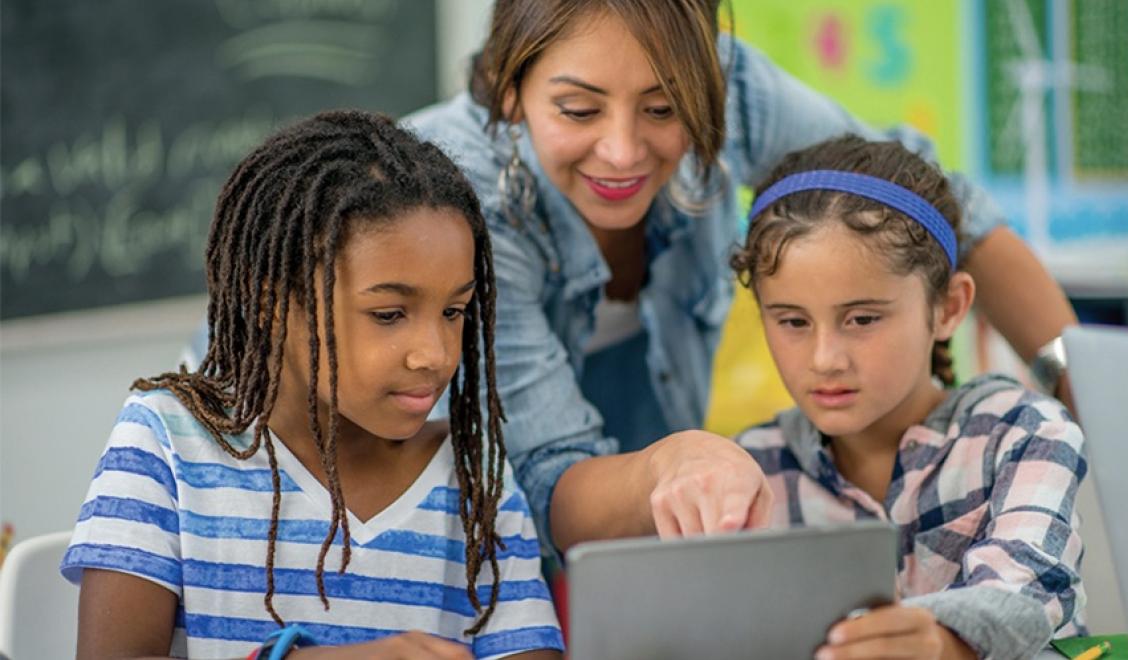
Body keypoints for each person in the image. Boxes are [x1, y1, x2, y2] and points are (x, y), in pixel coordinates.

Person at [403, 0, 1080, 557]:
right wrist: (671, 466)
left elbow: (934, 205)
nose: (622, 150)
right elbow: (545, 477)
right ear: (511, 92)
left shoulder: (720, 82)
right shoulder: (454, 200)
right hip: (497, 531)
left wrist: (1084, 394)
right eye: (579, 110)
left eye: (664, 109)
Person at [61, 111, 563, 660]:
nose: (436, 355)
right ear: (271, 303)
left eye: (454, 311)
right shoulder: (166, 444)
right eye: (389, 314)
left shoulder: (475, 476)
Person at [730, 135, 1086, 660]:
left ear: (948, 307)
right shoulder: (750, 469)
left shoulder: (1026, 433)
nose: (825, 359)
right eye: (793, 322)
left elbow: (1029, 593)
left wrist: (943, 641)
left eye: (862, 319)